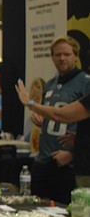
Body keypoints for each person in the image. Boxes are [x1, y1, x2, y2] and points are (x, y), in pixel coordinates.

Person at [26, 35, 90, 204]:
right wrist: (39, 118)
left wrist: (72, 154)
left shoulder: (85, 83)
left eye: (67, 54)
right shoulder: (49, 84)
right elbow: (51, 114)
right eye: (58, 54)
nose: (62, 58)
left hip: (67, 162)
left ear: (76, 56)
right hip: (43, 159)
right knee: (36, 208)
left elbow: (64, 115)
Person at [17, 78, 90, 188]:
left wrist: (30, 103)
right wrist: (81, 137)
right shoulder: (50, 84)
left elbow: (61, 115)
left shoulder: (84, 82)